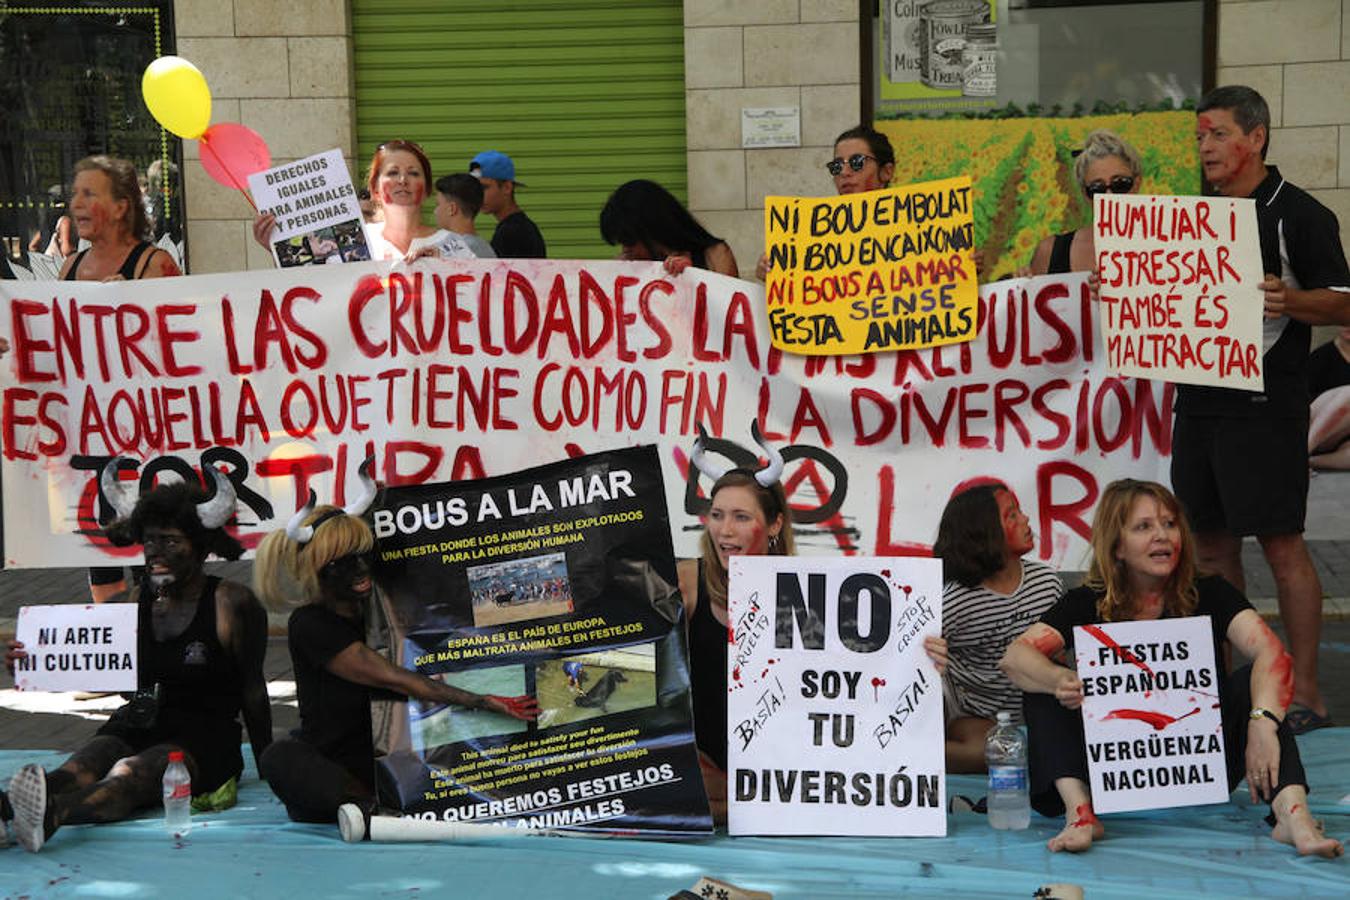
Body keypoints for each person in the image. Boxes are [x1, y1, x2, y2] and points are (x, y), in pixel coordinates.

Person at [1000, 479, 1342, 858]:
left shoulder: (1208, 591)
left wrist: (1262, 721)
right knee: (1042, 686)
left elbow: (1271, 652)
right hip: (1106, 768)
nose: (1162, 536)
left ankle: (1293, 815)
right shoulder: (1086, 602)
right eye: (1144, 527)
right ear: (1116, 546)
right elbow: (1016, 657)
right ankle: (1080, 813)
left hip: (1200, 760)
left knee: (1254, 684)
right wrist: (1059, 680)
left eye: (1169, 524)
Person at [1175, 85, 1350, 732]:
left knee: (1282, 546)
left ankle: (1307, 692)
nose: (1206, 148)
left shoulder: (1300, 214)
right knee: (1213, 550)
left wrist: (1290, 300)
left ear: (1256, 137)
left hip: (1266, 404)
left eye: (1217, 134)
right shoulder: (1192, 215)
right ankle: (1244, 687)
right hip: (1197, 403)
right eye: (1199, 137)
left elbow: (1343, 301)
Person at [675, 423, 948, 821]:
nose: (725, 530)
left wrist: (918, 661)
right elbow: (650, 686)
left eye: (740, 517)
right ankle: (745, 807)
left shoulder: (815, 592)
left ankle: (743, 808)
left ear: (773, 526)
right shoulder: (687, 583)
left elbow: (854, 689)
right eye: (716, 515)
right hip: (701, 762)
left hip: (782, 767)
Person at [2, 462, 272, 852]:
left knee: (129, 775)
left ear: (200, 547)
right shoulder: (135, 600)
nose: (155, 554)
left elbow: (253, 689)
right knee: (84, 763)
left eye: (171, 542)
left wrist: (267, 767)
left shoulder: (232, 602)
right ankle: (12, 809)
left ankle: (49, 816)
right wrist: (33, 661)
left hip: (204, 737)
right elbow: (104, 667)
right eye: (149, 542)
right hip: (142, 719)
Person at [252, 463, 537, 829]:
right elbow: (393, 678)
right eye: (343, 562)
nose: (361, 569)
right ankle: (366, 807)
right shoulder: (310, 624)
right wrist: (483, 700)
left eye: (363, 554)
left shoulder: (379, 608)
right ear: (317, 571)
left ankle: (366, 810)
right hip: (338, 766)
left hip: (393, 756)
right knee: (280, 755)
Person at [56, 156, 181, 603]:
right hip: (92, 440)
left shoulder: (154, 263)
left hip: (148, 440)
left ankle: (159, 649)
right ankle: (121, 651)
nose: (77, 203)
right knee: (104, 551)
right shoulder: (68, 269)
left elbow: (187, 345)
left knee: (155, 554)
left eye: (90, 193)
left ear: (123, 205)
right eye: (76, 194)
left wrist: (133, 308)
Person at [932, 481, 1063, 772]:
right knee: (1002, 752)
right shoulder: (954, 601)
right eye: (1012, 515)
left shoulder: (1047, 584)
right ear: (983, 533)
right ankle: (914, 753)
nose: (1026, 519)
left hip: (1036, 711)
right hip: (974, 716)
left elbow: (1059, 656)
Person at [253, 140, 473, 263]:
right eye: (393, 172)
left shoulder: (452, 245)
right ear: (374, 189)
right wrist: (276, 248)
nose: (403, 180)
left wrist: (444, 269)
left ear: (426, 189)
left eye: (414, 173)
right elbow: (312, 293)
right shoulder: (354, 241)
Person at [754, 124, 895, 282]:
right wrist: (770, 269)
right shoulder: (812, 233)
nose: (844, 172)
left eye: (857, 162)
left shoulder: (912, 228)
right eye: (837, 166)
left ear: (886, 171)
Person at [1028, 130, 1143, 275]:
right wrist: (1021, 283)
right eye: (1097, 188)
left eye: (1120, 184)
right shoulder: (1050, 252)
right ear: (1085, 194)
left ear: (1137, 184)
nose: (1109, 195)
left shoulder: (1167, 250)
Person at [599, 179, 738, 277]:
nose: (626, 250)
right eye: (621, 243)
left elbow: (731, 312)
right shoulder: (626, 266)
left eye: (629, 240)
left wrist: (692, 276)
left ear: (652, 230)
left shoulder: (716, 256)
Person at [470, 150, 546, 258]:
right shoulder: (516, 227)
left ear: (507, 188)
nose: (477, 194)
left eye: (484, 187)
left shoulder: (512, 232)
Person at [1308, 327, 1350, 470]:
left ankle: (1311, 462)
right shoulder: (1321, 357)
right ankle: (1302, 452)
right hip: (1316, 425)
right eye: (1344, 321)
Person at [433, 173, 497, 258]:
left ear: (451, 209)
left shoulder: (447, 253)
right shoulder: (486, 249)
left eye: (438, 204)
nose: (435, 211)